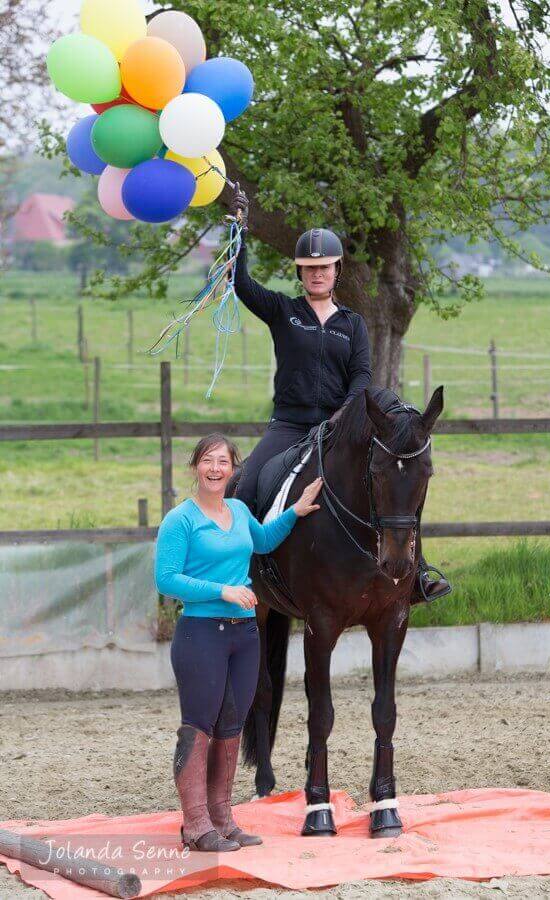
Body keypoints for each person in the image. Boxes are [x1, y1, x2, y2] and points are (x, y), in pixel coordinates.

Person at [230, 185, 450, 604]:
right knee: (247, 486)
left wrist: (345, 415)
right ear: (299, 273)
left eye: (325, 267)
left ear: (337, 271)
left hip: (338, 426)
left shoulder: (354, 323)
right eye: (309, 268)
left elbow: (362, 375)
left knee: (400, 484)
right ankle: (239, 572)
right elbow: (241, 284)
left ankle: (418, 573)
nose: (317, 273)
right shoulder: (282, 311)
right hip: (290, 425)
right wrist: (240, 232)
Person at [155, 433, 322, 852]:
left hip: (245, 635)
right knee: (199, 725)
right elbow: (166, 579)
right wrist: (221, 590)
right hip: (201, 634)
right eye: (208, 461)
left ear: (233, 470)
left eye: (223, 463)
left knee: (231, 724)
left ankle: (223, 819)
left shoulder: (240, 510)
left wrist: (296, 511)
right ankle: (195, 825)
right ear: (195, 467)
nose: (215, 469)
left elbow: (263, 542)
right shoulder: (181, 520)